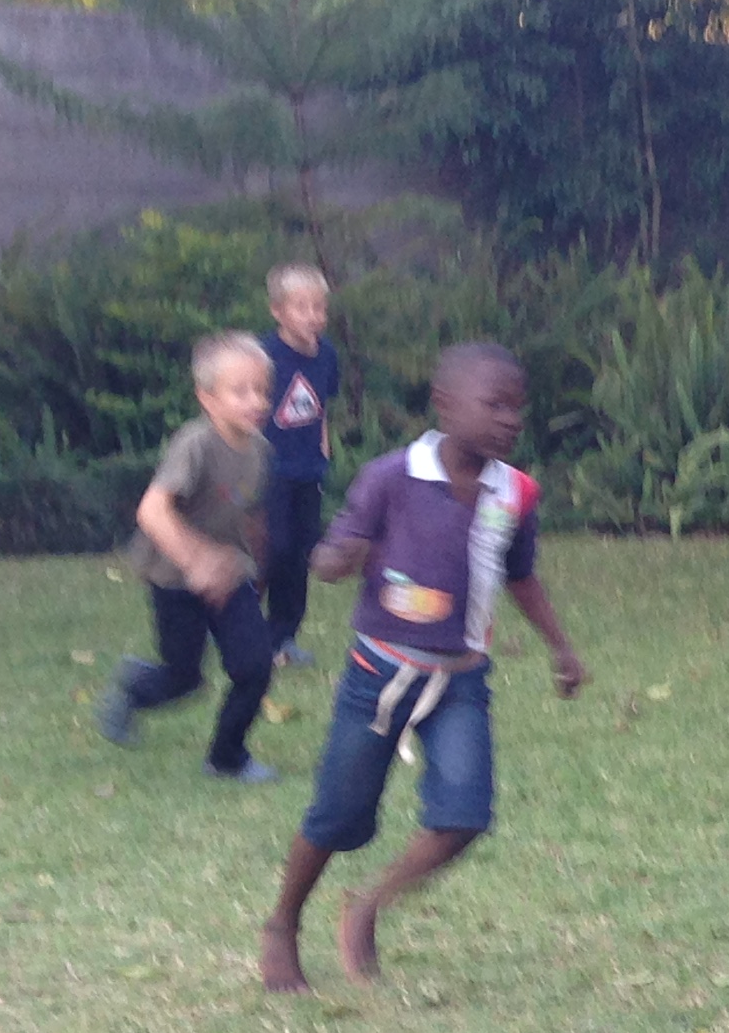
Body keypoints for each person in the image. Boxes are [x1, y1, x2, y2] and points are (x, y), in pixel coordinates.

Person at [255, 343, 587, 993]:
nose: (510, 420)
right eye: (494, 405)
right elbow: (335, 551)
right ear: (445, 405)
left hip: (461, 679)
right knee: (337, 816)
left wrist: (561, 647)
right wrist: (335, 560)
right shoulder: (390, 477)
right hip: (378, 673)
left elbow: (520, 575)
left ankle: (367, 908)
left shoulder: (515, 492)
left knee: (464, 815)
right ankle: (283, 923)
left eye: (518, 408)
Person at [98, 332, 281, 784]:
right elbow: (152, 510)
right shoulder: (195, 444)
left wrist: (256, 568)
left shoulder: (260, 450)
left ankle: (226, 758)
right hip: (173, 579)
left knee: (255, 666)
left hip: (231, 576)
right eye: (240, 391)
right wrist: (196, 561)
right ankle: (135, 687)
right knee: (184, 679)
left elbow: (250, 514)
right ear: (208, 398)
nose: (256, 401)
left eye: (262, 390)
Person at [259, 263, 341, 668]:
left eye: (319, 307)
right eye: (302, 307)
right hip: (268, 472)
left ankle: (283, 638)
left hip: (308, 470)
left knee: (300, 553)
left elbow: (319, 405)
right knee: (272, 549)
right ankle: (239, 627)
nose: (313, 316)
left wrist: (323, 448)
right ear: (278, 311)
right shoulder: (263, 357)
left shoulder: (327, 356)